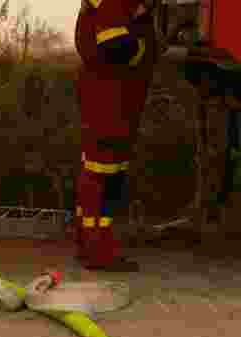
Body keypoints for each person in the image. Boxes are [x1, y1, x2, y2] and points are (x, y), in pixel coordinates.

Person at [73, 0, 157, 271]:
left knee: (110, 174)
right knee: (102, 172)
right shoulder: (111, 3)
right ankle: (95, 248)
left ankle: (96, 243)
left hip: (115, 102)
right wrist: (146, 49)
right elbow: (114, 48)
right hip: (110, 102)